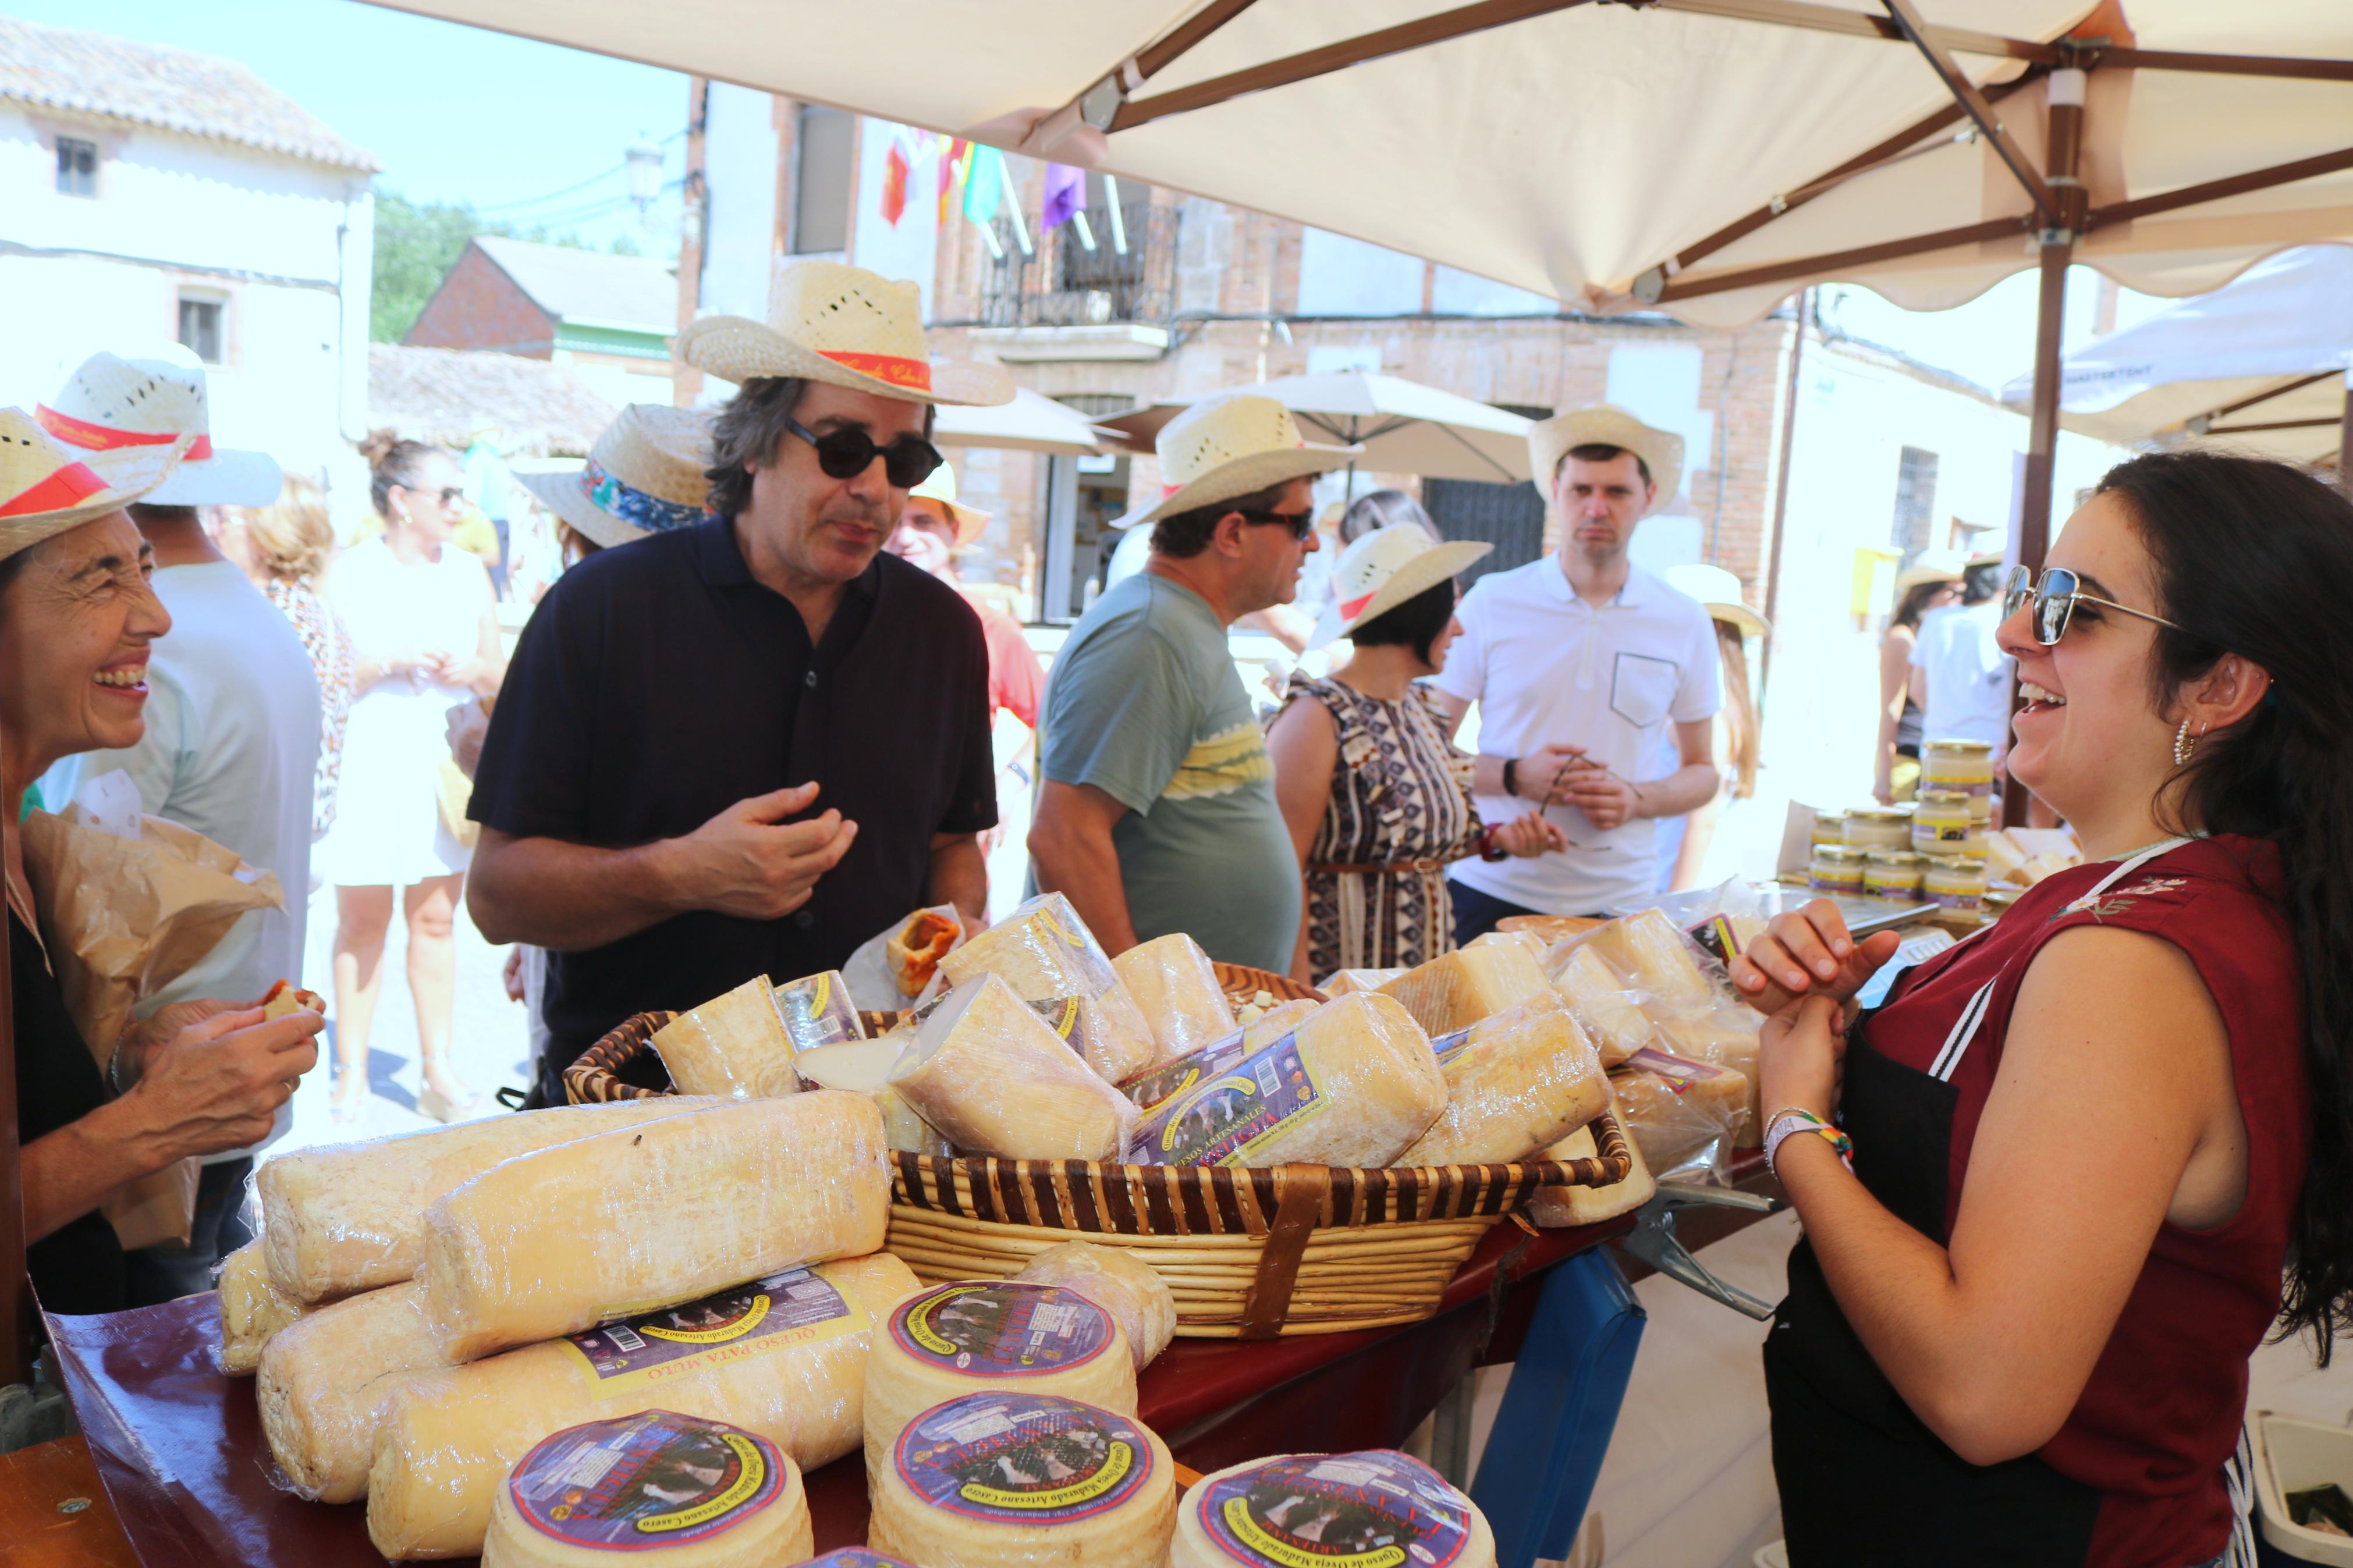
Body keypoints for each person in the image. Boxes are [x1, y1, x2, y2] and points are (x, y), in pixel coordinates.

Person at [1733, 451, 2353, 1563]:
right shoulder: (2174, 891)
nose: (2015, 632)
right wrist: (1860, 998)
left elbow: (1986, 1391)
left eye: (2070, 607)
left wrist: (1795, 1125)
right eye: (2027, 590)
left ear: (2218, 686)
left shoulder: (2134, 958)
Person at [466, 261, 1009, 1108]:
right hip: (636, 1118)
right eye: (840, 446)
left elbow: (950, 846)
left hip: (859, 1115)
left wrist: (950, 930)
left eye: (904, 459)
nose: (871, 485)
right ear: (756, 441)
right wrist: (682, 874)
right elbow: (499, 895)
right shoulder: (602, 609)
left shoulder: (942, 632)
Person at [0, 413, 322, 1314]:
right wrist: (148, 1127)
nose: (156, 614)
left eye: (142, 565)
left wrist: (130, 1051)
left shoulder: (23, 830)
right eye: (100, 578)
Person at [1028, 394, 1357, 971]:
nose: (1311, 543)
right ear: (1231, 533)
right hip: (1161, 1044)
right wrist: (1142, 1012)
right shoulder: (1151, 633)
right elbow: (1063, 835)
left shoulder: (1175, 624)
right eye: (1299, 522)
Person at [1428, 405, 1722, 939]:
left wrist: (1637, 798)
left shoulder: (1683, 618)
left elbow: (1704, 771)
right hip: (1488, 887)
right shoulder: (1493, 601)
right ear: (1554, 491)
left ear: (1648, 499)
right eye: (1581, 489)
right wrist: (1516, 774)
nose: (1596, 507)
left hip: (1621, 901)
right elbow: (1426, 749)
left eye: (1616, 492)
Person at [1266, 524, 1564, 982]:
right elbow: (1282, 871)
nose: (1460, 628)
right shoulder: (1319, 714)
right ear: (1419, 614)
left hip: (1418, 983)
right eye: (1452, 611)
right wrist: (1301, 996)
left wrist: (1497, 840)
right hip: (1340, 987)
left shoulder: (1423, 709)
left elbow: (1413, 836)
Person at [315, 435, 505, 1123]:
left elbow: (499, 673)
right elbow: (324, 676)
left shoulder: (467, 571)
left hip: (440, 764)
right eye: (447, 494)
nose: (460, 507)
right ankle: (352, 1072)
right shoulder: (348, 571)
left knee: (435, 918)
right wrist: (385, 659)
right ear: (401, 501)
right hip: (368, 762)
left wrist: (470, 671)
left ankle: (438, 1069)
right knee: (360, 920)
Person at [217, 474, 360, 841]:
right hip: (309, 825)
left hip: (269, 833)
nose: (214, 532)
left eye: (228, 519)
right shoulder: (318, 611)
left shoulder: (264, 615)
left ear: (266, 537)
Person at [884, 458, 1045, 730]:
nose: (905, 537)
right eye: (893, 522)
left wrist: (1017, 771)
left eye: (923, 522)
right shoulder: (853, 615)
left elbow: (1054, 722)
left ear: (954, 531)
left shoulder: (991, 627)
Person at [1655, 563, 1766, 893]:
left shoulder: (1708, 712)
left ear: (1713, 626)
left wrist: (1672, 902)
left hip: (1689, 895)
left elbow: (1703, 820)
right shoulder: (1728, 701)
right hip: (1706, 890)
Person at [1873, 552, 1963, 805]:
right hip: (1906, 762)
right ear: (1929, 593)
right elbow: (1891, 708)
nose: (1959, 602)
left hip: (1930, 757)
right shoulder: (1902, 638)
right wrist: (1884, 774)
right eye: (1954, 593)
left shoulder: (1934, 637)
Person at [1910, 554, 2013, 751]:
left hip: (1937, 749)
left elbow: (1917, 689)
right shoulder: (2005, 623)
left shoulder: (1936, 620)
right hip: (1992, 751)